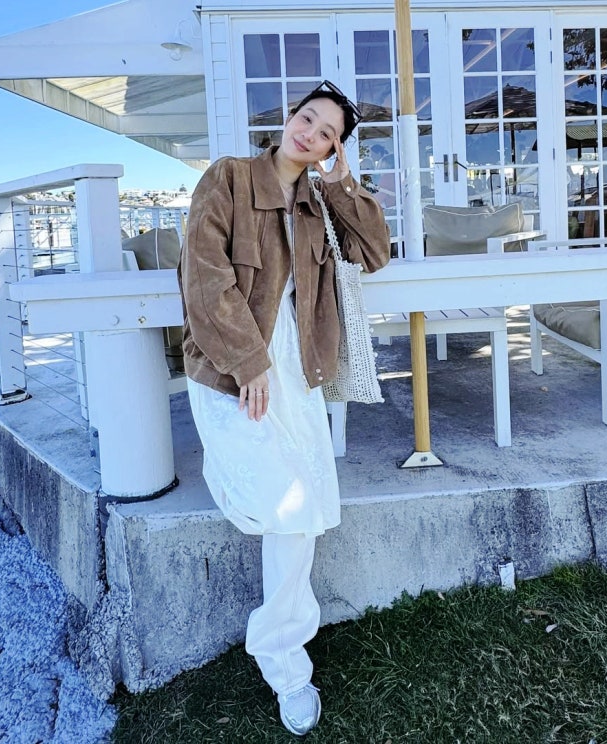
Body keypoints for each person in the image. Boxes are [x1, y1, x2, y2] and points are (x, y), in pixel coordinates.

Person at [177, 80, 390, 736]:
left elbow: (375, 253)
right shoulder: (230, 177)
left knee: (299, 514)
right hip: (232, 367)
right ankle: (283, 658)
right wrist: (249, 363)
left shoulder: (319, 202)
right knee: (287, 505)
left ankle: (281, 652)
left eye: (328, 133)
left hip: (296, 372)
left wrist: (343, 185)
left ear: (332, 150)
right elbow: (204, 275)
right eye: (308, 118)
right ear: (288, 117)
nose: (311, 133)